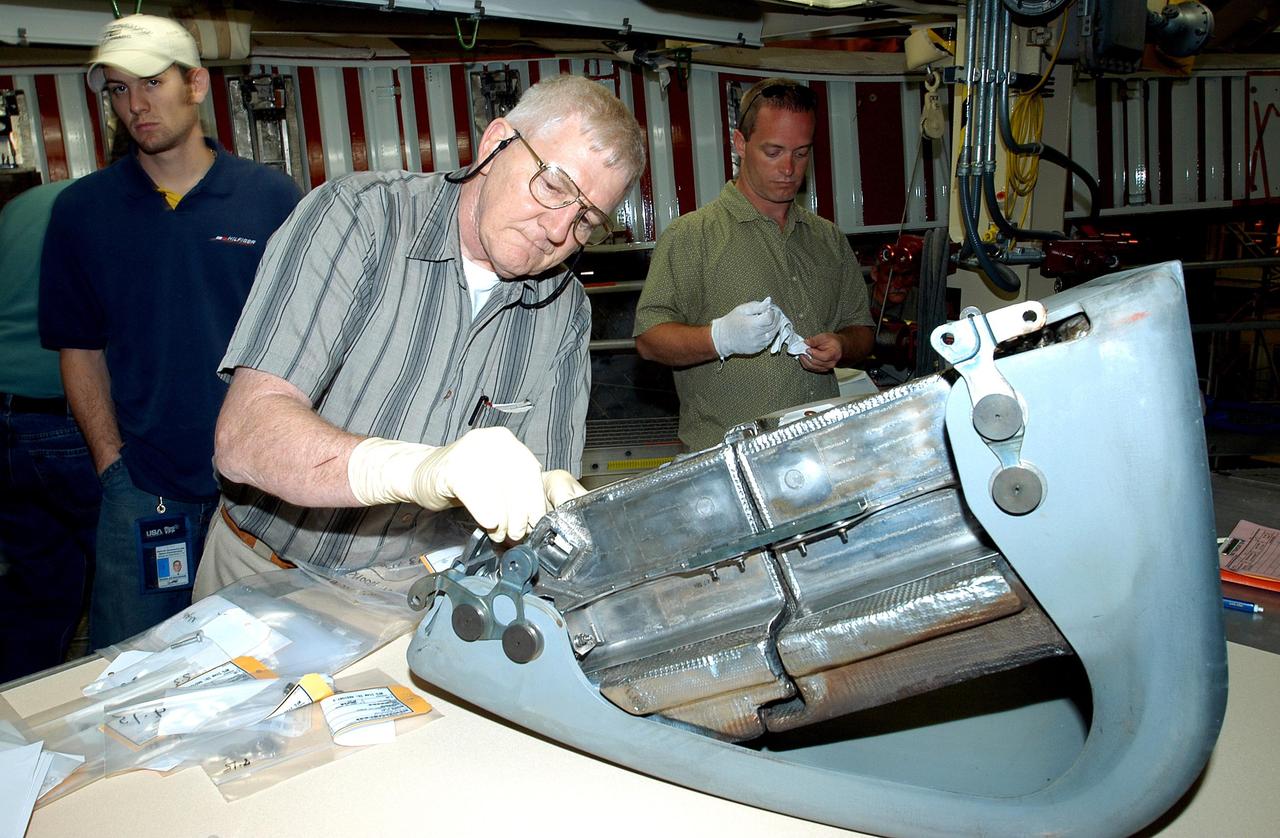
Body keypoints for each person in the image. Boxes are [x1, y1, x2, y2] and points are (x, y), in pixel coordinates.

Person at [195, 74, 646, 596]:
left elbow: (543, 475)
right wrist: (417, 470)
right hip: (264, 572)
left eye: (587, 218)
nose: (558, 230)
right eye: (552, 186)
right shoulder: (358, 219)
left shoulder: (563, 311)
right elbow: (245, 437)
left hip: (411, 590)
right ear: (496, 144)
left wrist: (548, 503)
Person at [38, 14, 301, 647]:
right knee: (131, 665)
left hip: (259, 489)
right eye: (118, 90)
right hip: (145, 487)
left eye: (151, 83)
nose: (135, 105)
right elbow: (80, 348)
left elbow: (308, 338)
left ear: (197, 84)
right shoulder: (82, 211)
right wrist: (111, 464)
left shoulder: (269, 199)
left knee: (264, 658)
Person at [633, 78, 874, 452]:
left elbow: (862, 330)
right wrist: (719, 337)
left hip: (820, 450)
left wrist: (842, 345)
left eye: (801, 153)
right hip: (726, 462)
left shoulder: (827, 239)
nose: (789, 169)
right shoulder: (692, 236)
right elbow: (649, 340)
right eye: (773, 151)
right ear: (740, 144)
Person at [0, 176, 99, 681]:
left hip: (5, 415)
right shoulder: (103, 207)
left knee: (40, 583)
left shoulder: (20, 208)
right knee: (125, 573)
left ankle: (17, 715)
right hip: (59, 417)